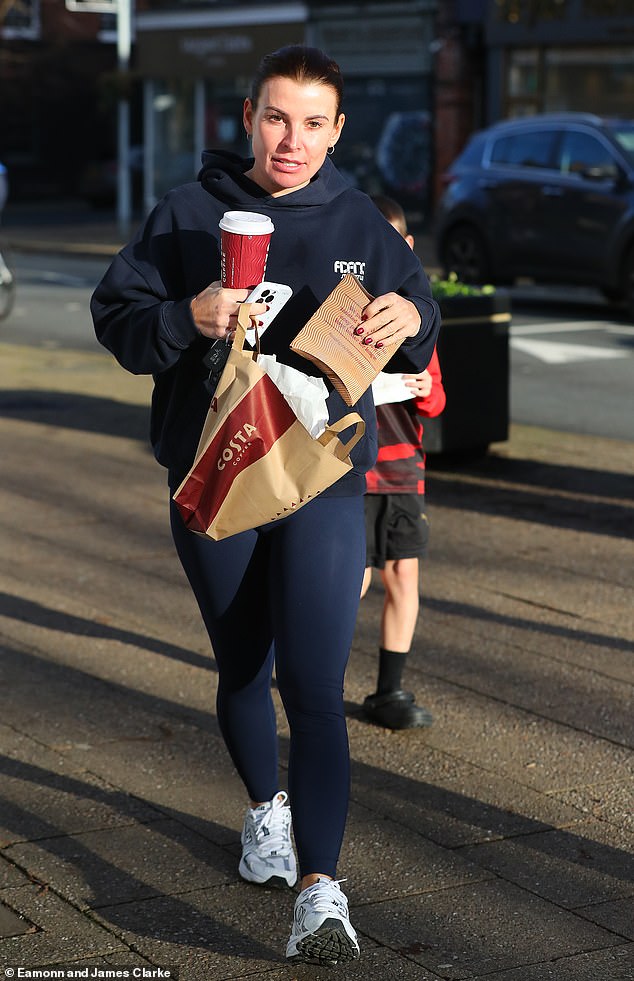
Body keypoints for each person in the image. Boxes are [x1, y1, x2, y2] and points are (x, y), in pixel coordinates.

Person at [91, 45, 440, 967]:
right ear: (248, 117)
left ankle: (322, 892)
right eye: (277, 118)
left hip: (321, 482)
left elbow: (416, 321)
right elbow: (118, 322)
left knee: (315, 687)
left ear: (336, 132)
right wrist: (186, 317)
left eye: (314, 123)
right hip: (215, 479)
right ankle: (264, 814)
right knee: (245, 665)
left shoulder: (361, 219)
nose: (293, 140)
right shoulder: (185, 213)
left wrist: (412, 320)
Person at [361, 195, 446, 730]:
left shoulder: (416, 322)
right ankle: (315, 676)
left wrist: (422, 388)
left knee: (403, 577)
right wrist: (381, 385)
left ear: (409, 250)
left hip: (404, 473)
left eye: (396, 249)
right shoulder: (349, 316)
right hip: (355, 472)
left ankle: (389, 691)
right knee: (352, 580)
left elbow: (437, 401)